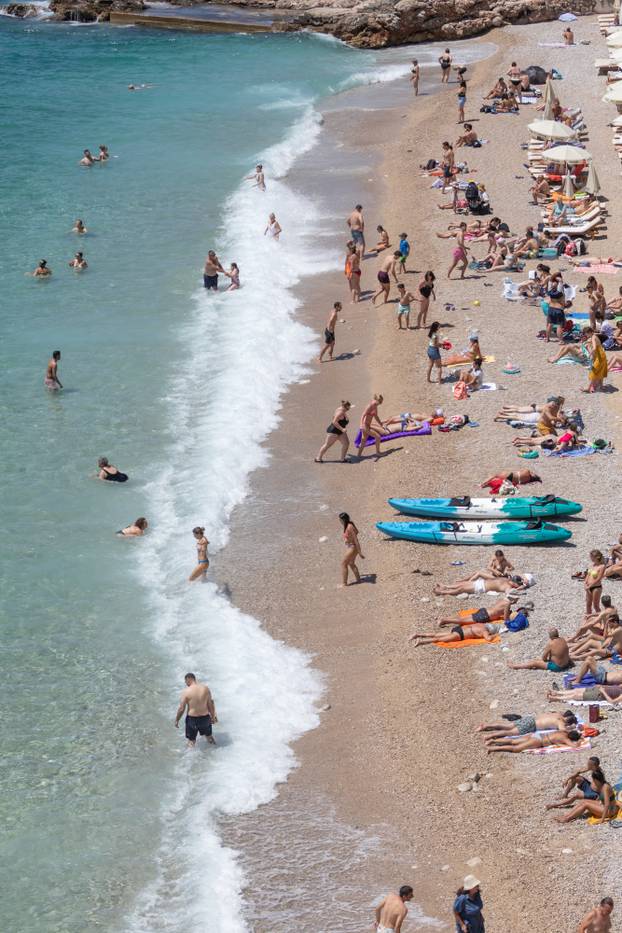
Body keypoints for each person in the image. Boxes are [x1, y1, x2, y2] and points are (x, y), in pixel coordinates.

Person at [174, 672, 217, 747]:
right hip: (205, 718)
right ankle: (215, 750)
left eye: (185, 681)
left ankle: (190, 754)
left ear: (188, 679)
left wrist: (177, 720)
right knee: (209, 737)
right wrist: (213, 717)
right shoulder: (205, 689)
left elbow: (181, 708)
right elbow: (210, 704)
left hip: (192, 720)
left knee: (191, 741)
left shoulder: (186, 691)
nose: (186, 683)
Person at [477, 710, 577, 741]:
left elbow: (560, 712)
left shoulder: (557, 714)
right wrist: (571, 728)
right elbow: (563, 731)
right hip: (532, 725)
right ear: (568, 722)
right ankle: (488, 736)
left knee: (507, 726)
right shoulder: (560, 722)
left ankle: (485, 726)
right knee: (510, 732)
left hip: (529, 718)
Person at [437, 594, 529, 628]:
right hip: (485, 616)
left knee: (464, 618)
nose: (516, 601)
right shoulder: (507, 604)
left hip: (484, 611)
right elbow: (506, 618)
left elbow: (499, 610)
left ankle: (445, 619)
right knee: (463, 621)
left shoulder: (504, 600)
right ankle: (444, 620)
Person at [486, 728, 584, 754]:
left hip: (537, 734)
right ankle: (493, 748)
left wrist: (580, 733)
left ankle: (492, 741)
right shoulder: (565, 739)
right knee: (516, 748)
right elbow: (575, 746)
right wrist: (579, 741)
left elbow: (571, 729)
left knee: (512, 741)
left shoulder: (563, 732)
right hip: (539, 741)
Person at [433, 573, 534, 597]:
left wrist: (522, 587)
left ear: (516, 584)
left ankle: (442, 592)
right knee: (462, 584)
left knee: (461, 589)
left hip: (481, 587)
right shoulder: (508, 579)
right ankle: (445, 586)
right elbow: (520, 574)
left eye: (514, 581)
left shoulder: (508, 587)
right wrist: (524, 580)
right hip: (480, 582)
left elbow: (511, 592)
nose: (512, 580)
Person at [410, 620, 502, 646]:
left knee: (436, 634)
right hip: (460, 635)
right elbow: (488, 639)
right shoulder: (485, 631)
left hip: (458, 629)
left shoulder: (481, 624)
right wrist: (496, 635)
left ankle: (418, 634)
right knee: (438, 639)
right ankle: (421, 641)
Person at [340, 512, 364, 586]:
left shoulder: (349, 526)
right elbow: (357, 532)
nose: (340, 521)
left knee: (343, 564)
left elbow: (356, 540)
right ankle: (358, 580)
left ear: (343, 520)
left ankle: (344, 583)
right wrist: (349, 539)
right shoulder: (349, 524)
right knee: (351, 563)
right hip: (351, 546)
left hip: (353, 547)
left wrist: (360, 552)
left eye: (340, 520)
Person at [585, 550, 606, 615]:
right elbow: (588, 575)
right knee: (588, 604)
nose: (591, 558)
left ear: (597, 557)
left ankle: (601, 619)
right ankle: (588, 618)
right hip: (588, 587)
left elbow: (599, 578)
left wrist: (589, 586)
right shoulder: (592, 565)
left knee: (596, 605)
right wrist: (585, 584)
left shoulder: (602, 566)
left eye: (592, 557)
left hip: (596, 587)